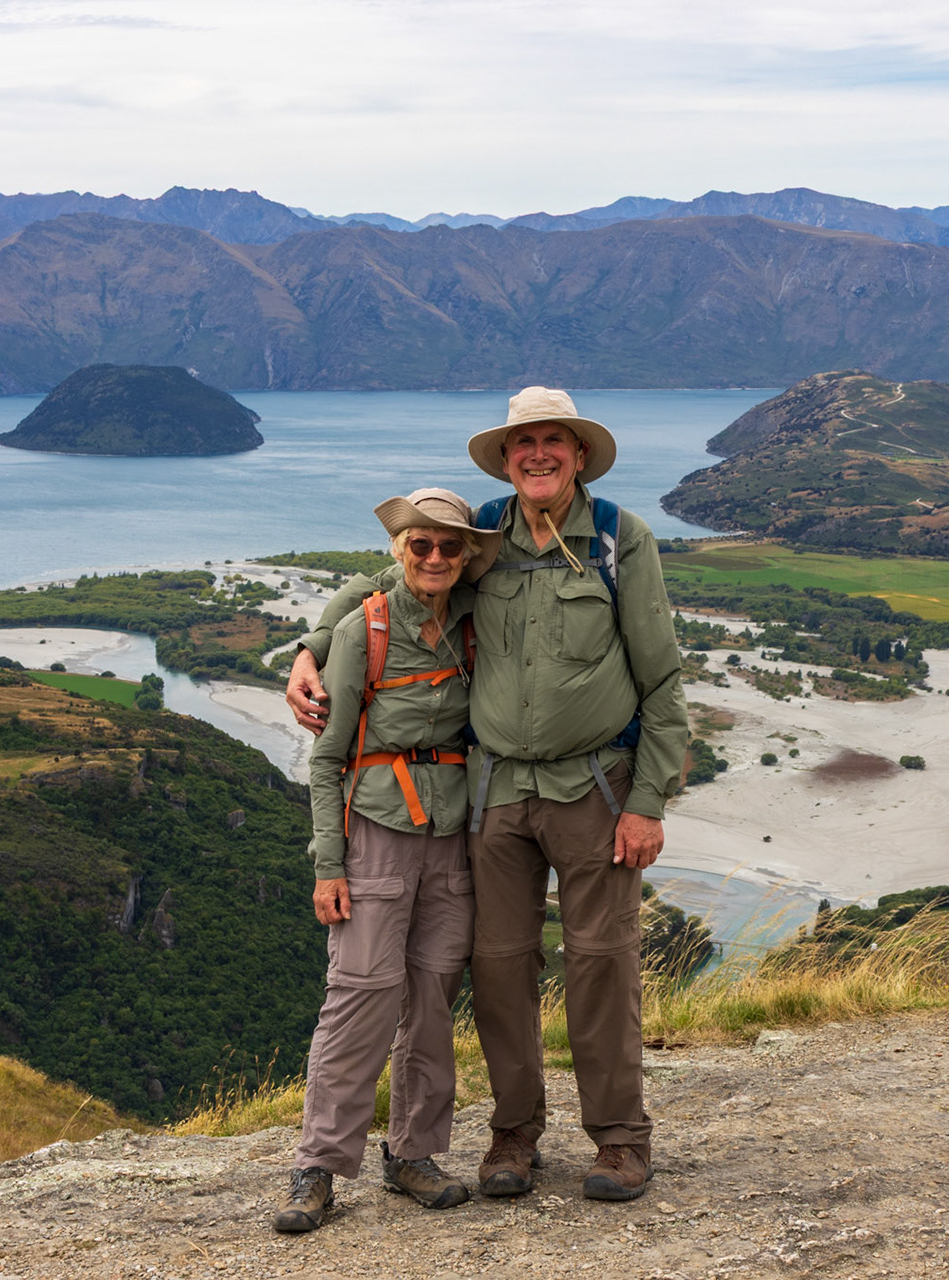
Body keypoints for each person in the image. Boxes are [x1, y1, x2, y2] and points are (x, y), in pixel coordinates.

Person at [285, 387, 688, 1202]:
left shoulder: (619, 540)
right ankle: (514, 1134)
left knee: (601, 964)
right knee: (500, 967)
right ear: (506, 460)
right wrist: (309, 645)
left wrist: (650, 800)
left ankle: (619, 1140)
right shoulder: (485, 540)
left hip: (596, 789)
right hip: (498, 791)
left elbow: (663, 677)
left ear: (578, 455)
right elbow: (394, 575)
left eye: (553, 441)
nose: (537, 454)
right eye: (523, 443)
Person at [273, 488, 502, 1233]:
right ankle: (317, 1164)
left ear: (466, 554)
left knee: (432, 1000)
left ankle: (414, 1154)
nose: (434, 558)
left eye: (448, 546)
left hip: (451, 837)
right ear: (398, 552)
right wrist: (327, 864)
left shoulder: (474, 619)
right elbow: (326, 759)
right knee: (361, 995)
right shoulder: (361, 628)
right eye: (419, 546)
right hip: (374, 830)